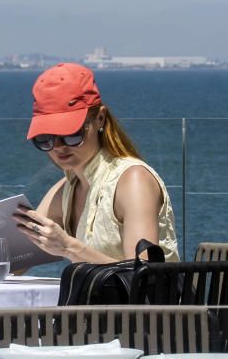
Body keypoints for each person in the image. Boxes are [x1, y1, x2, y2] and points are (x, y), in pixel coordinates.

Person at [13, 62, 180, 263]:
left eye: (71, 134)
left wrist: (69, 246)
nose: (58, 146)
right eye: (46, 138)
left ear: (100, 118)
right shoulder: (66, 189)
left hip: (146, 295)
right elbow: (15, 259)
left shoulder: (133, 181)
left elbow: (143, 277)